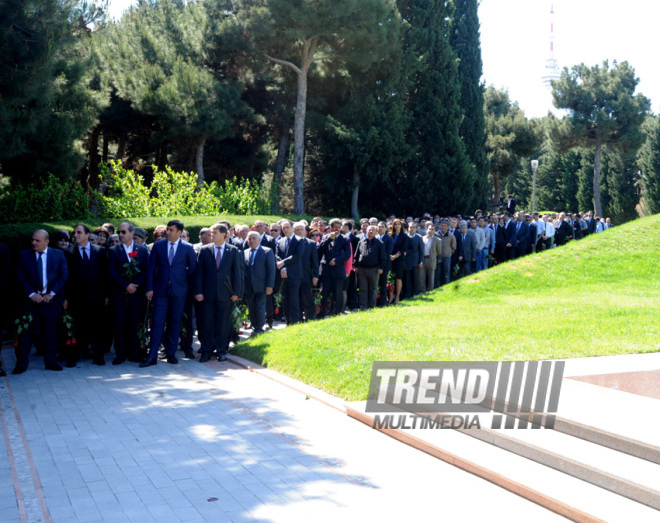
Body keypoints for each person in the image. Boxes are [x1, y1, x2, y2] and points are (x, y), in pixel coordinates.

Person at [142, 220, 197, 367]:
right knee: (157, 323)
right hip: (160, 291)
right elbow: (151, 268)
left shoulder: (187, 247)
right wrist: (149, 288)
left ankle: (171, 354)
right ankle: (152, 355)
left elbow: (193, 269)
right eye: (167, 229)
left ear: (179, 232)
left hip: (179, 292)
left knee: (175, 322)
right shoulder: (158, 246)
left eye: (171, 230)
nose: (168, 232)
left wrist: (182, 280)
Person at [14, 230, 68, 373]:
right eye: (33, 240)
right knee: (26, 333)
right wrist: (31, 294)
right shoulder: (24, 255)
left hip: (49, 301)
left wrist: (52, 294)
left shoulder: (58, 255)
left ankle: (50, 361)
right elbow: (20, 276)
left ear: (46, 241)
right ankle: (21, 364)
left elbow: (63, 276)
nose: (34, 243)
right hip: (30, 302)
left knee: (50, 332)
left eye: (38, 241)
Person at [195, 224, 244, 362]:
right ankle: (206, 351)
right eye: (211, 233)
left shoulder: (233, 251)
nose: (212, 235)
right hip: (207, 294)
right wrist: (198, 291)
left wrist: (236, 292)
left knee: (223, 323)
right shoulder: (204, 250)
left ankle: (221, 350)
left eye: (215, 233)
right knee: (207, 323)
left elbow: (237, 274)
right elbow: (199, 274)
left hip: (226, 294)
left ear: (223, 234)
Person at [65, 224, 109, 366]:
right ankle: (74, 356)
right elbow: (67, 277)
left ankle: (98, 356)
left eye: (79, 232)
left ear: (87, 235)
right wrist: (66, 297)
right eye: (74, 233)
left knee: (98, 328)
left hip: (96, 297)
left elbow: (105, 274)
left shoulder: (100, 251)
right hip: (76, 298)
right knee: (77, 328)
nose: (76, 235)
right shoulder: (69, 252)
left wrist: (106, 295)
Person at [107, 222, 149, 365]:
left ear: (132, 233)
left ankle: (134, 352)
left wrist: (136, 285)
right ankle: (120, 353)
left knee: (135, 324)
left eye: (123, 232)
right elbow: (111, 271)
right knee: (119, 325)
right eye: (119, 232)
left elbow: (145, 269)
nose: (120, 235)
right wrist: (126, 285)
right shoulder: (113, 250)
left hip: (136, 295)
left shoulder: (142, 250)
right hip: (120, 294)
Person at [244, 231, 275, 335]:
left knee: (260, 307)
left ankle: (260, 328)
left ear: (259, 240)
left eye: (254, 238)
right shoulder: (245, 252)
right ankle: (254, 326)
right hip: (248, 286)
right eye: (249, 239)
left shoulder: (267, 251)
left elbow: (271, 269)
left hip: (261, 285)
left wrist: (269, 285)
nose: (251, 240)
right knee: (251, 307)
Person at [318, 218, 351, 316]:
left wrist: (336, 261)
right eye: (334, 227)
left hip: (338, 270)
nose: (336, 229)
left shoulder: (345, 238)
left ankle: (336, 313)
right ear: (331, 227)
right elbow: (320, 250)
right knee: (324, 292)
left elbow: (347, 254)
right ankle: (322, 312)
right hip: (326, 270)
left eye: (338, 227)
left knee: (337, 293)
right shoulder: (325, 237)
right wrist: (329, 239)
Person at [275, 221, 304, 324]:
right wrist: (282, 268)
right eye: (283, 228)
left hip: (294, 274)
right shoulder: (280, 241)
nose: (285, 230)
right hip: (282, 274)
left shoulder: (299, 240)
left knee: (294, 298)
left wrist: (283, 263)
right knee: (284, 299)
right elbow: (277, 255)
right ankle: (288, 320)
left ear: (292, 228)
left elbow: (297, 255)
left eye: (287, 227)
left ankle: (295, 320)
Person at [354, 225, 385, 309]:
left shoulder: (380, 243)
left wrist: (381, 267)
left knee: (373, 289)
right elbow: (356, 255)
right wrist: (355, 266)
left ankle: (371, 306)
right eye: (369, 230)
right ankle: (363, 306)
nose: (371, 231)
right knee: (362, 289)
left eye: (373, 230)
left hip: (374, 269)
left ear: (376, 232)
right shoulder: (361, 242)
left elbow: (383, 257)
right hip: (361, 269)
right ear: (366, 231)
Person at [293, 222, 319, 321]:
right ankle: (298, 318)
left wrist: (315, 275)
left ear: (305, 231)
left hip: (306, 275)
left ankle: (310, 318)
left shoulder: (311, 243)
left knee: (307, 297)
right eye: (297, 229)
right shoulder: (291, 242)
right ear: (294, 231)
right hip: (293, 275)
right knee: (296, 298)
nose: (299, 231)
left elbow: (315, 261)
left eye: (301, 229)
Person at [388, 219, 408, 304]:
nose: (397, 226)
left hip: (399, 260)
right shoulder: (390, 235)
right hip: (390, 259)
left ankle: (397, 296)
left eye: (398, 224)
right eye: (395, 224)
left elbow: (403, 249)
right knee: (390, 278)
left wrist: (395, 256)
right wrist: (390, 256)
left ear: (401, 226)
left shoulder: (404, 236)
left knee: (398, 278)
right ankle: (391, 296)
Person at [420, 223, 442, 292]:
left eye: (432, 229)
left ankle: (430, 291)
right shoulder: (422, 238)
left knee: (431, 277)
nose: (430, 230)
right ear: (427, 229)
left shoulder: (438, 240)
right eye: (429, 229)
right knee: (421, 277)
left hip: (431, 259)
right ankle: (422, 291)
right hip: (423, 260)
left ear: (435, 231)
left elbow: (439, 252)